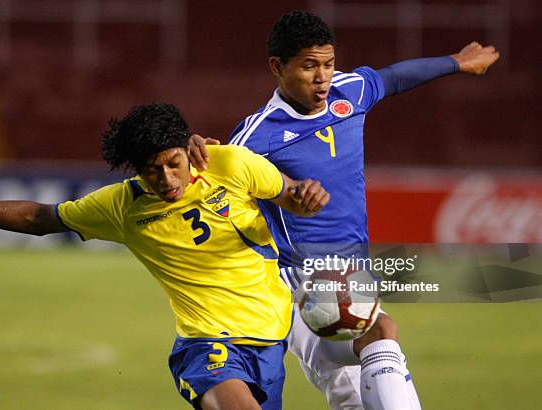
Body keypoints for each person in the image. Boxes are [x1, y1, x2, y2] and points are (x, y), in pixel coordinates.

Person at [189, 10, 500, 410]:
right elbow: (212, 187)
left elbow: (393, 77)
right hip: (296, 282)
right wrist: (197, 151)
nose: (323, 77)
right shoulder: (256, 136)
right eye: (309, 66)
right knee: (380, 332)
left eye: (329, 64)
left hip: (351, 272)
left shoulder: (349, 92)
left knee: (359, 388)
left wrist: (456, 62)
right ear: (277, 68)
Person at [0, 103, 331, 410]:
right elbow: (39, 217)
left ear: (188, 150)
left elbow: (289, 195)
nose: (167, 180)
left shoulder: (230, 164)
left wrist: (306, 197)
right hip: (208, 347)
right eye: (152, 171)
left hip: (271, 339)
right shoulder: (122, 206)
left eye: (174, 164)